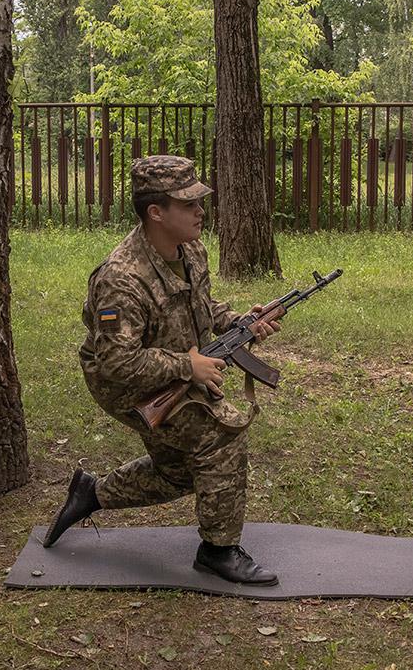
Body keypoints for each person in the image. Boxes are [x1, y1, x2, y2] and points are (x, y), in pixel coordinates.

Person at [42, 154, 281, 586]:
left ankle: (90, 494)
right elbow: (117, 363)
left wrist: (241, 324)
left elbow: (202, 309)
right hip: (124, 383)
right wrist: (188, 366)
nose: (200, 210)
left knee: (181, 472)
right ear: (156, 212)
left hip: (173, 362)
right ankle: (217, 550)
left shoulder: (190, 248)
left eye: (199, 201)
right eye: (188, 203)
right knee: (220, 436)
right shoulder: (120, 277)